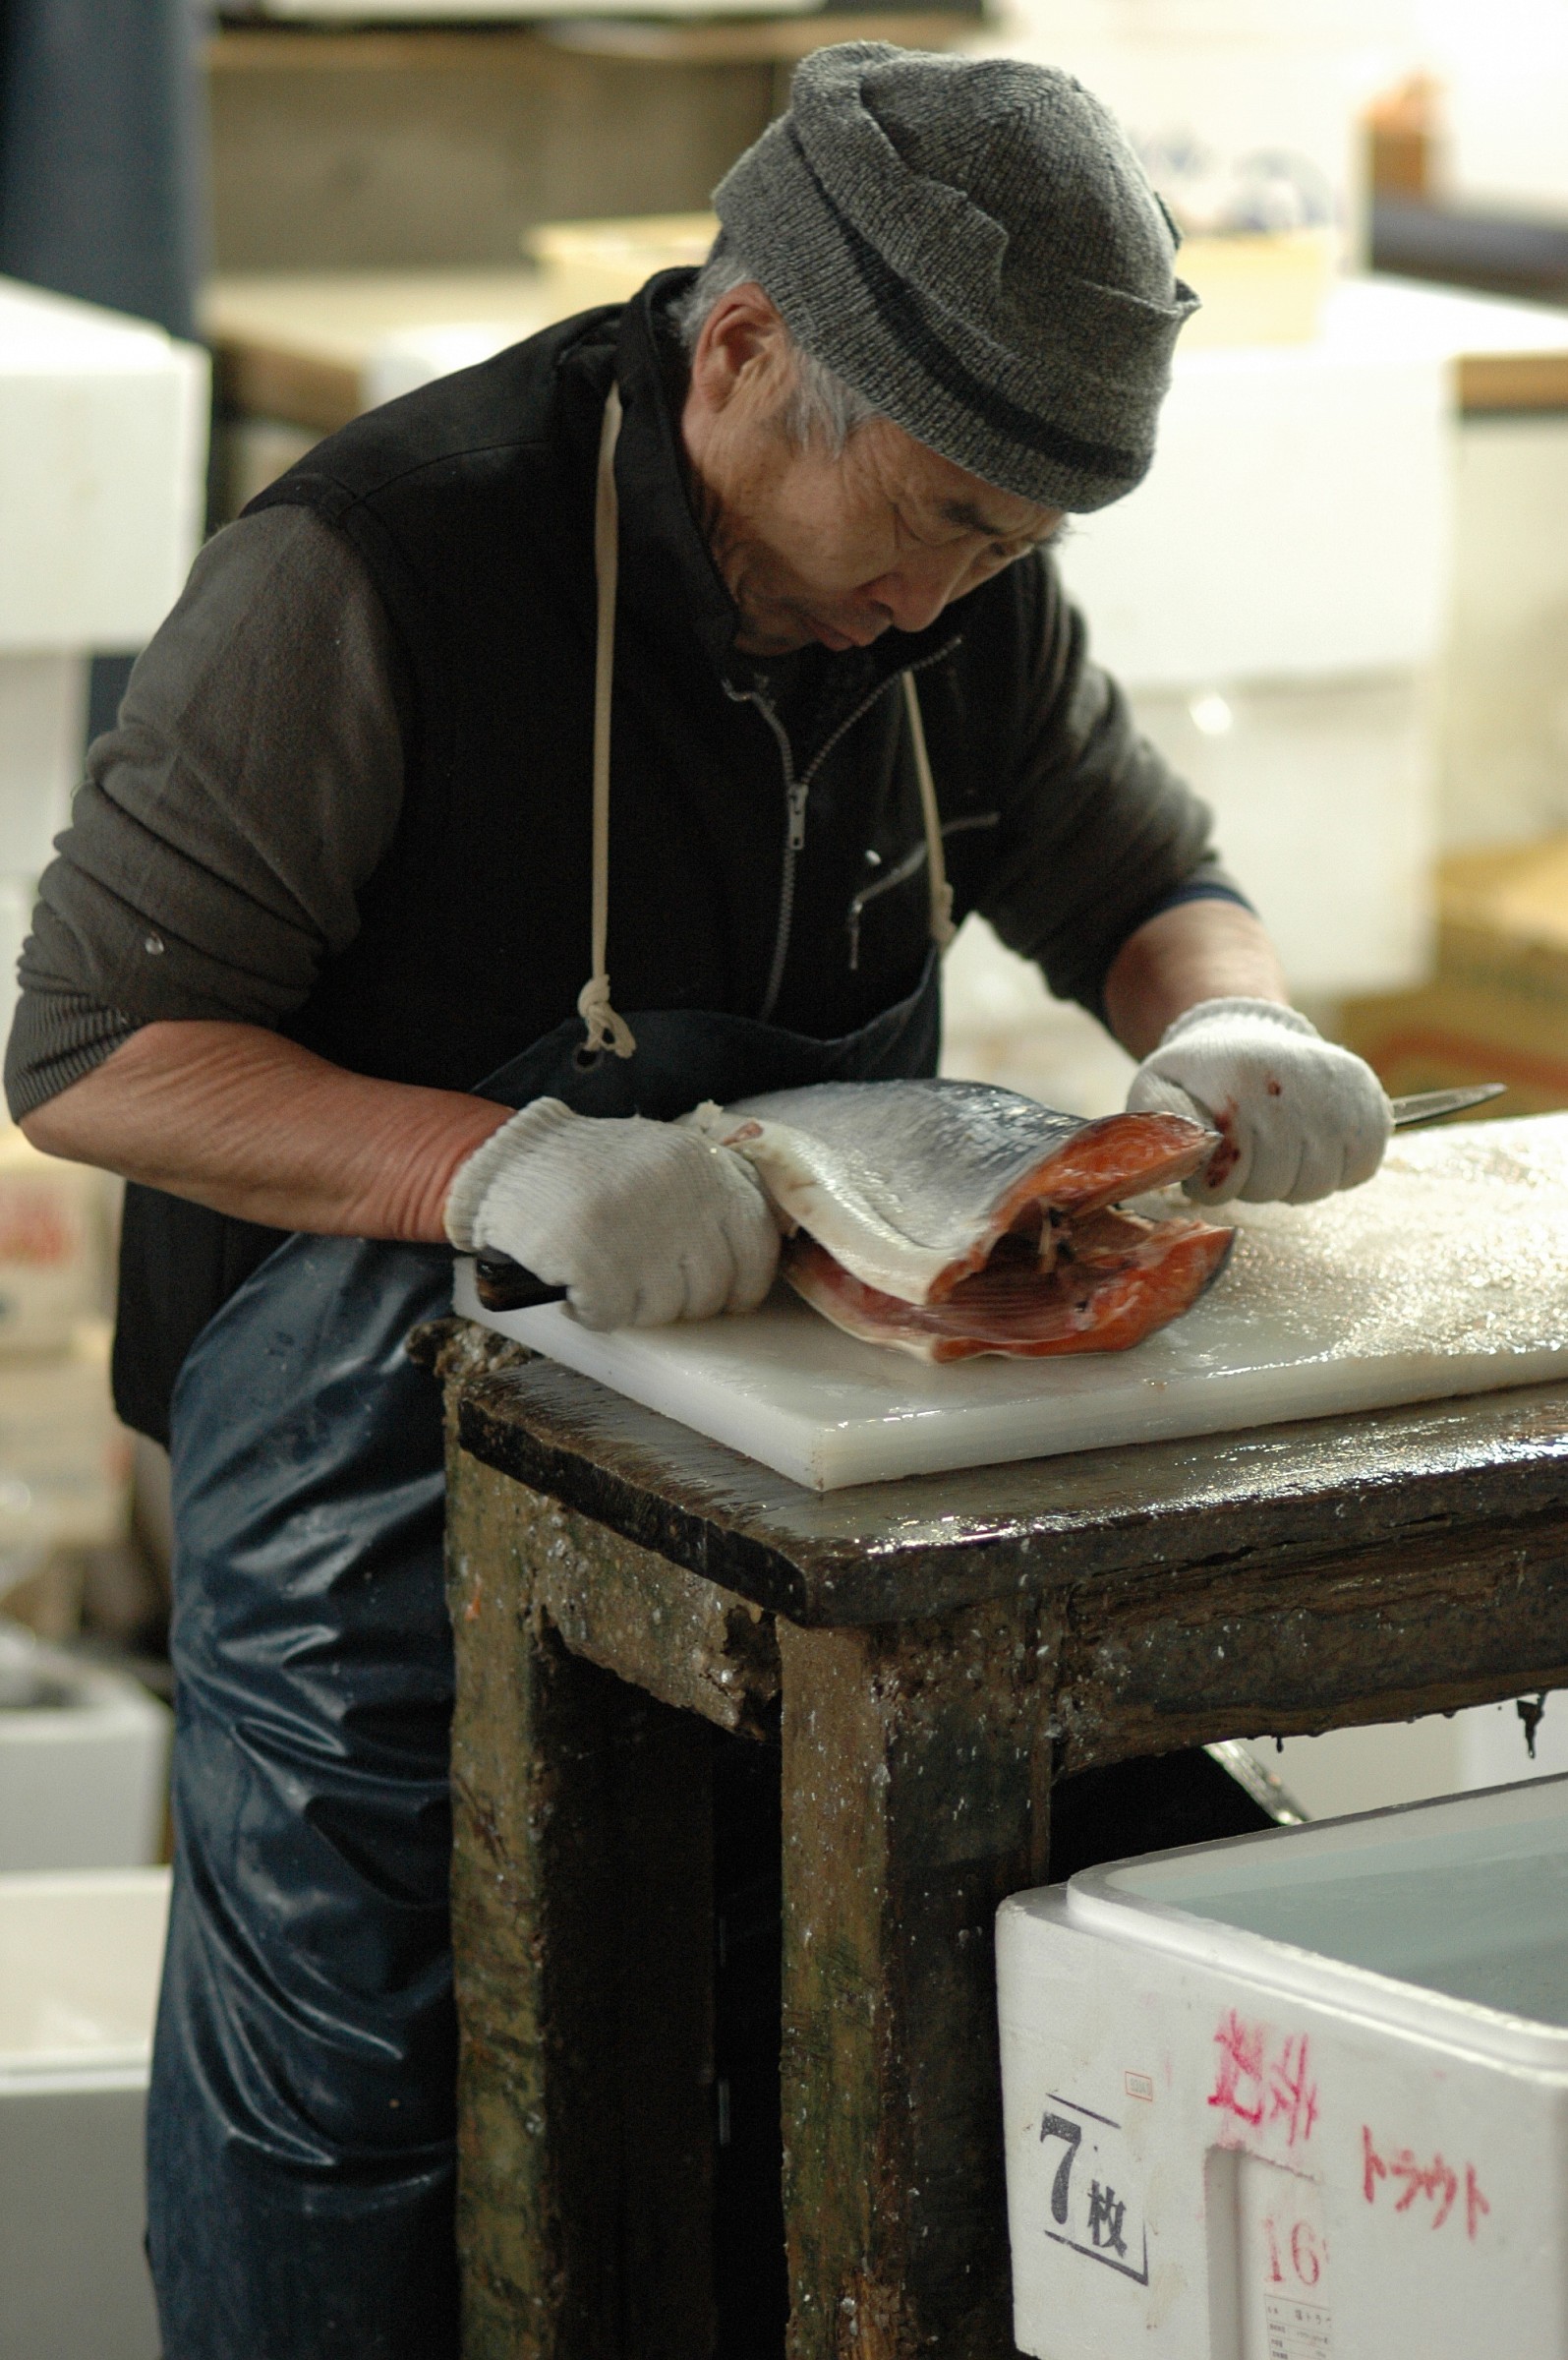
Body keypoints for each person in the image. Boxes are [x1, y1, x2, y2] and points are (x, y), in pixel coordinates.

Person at [5, 43, 1390, 2357]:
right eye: (937, 521)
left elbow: (1143, 871)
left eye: (1014, 552)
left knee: (768, 2011)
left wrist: (1229, 1018)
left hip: (786, 1441)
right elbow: (92, 1058)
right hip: (371, 1461)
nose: (954, 597)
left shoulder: (956, 596)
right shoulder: (371, 569)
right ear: (743, 353)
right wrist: (500, 1163)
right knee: (372, 2081)